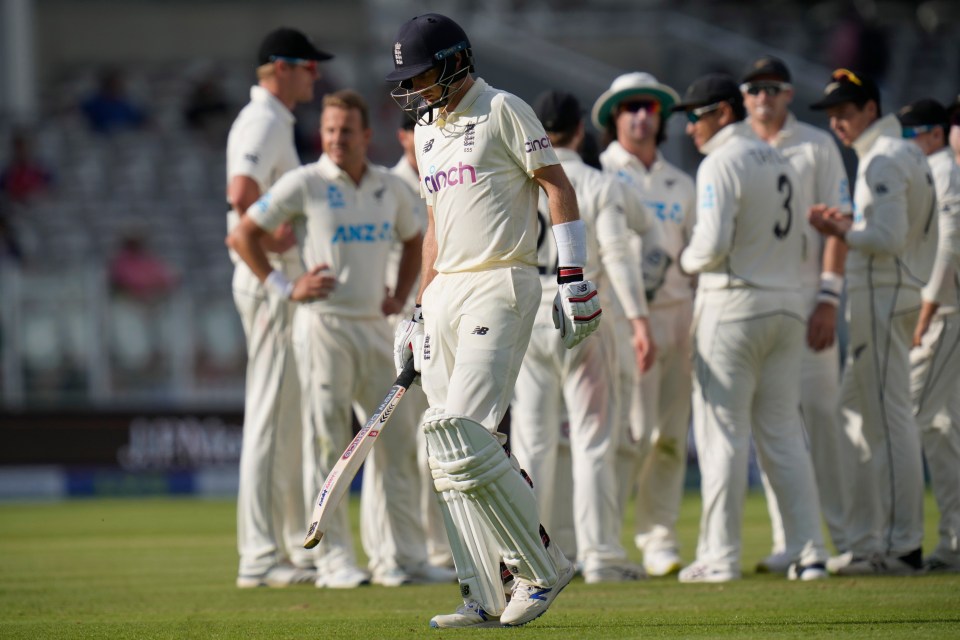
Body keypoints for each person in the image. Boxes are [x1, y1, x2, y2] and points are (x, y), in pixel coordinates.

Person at [386, 13, 600, 628]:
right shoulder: (427, 131)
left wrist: (573, 275)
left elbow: (557, 186)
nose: (414, 88)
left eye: (422, 74)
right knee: (443, 448)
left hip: (502, 279)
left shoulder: (503, 108)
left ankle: (542, 565)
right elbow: (434, 229)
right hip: (447, 292)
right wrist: (420, 310)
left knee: (463, 431)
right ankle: (482, 591)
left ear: (455, 62)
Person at [229, 88, 455, 588]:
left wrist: (399, 295)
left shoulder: (390, 189)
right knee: (328, 442)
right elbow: (242, 233)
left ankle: (403, 558)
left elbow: (415, 238)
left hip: (376, 330)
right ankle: (331, 560)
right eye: (328, 130)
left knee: (394, 444)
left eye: (345, 131)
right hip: (323, 326)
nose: (335, 139)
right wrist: (287, 287)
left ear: (365, 136)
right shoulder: (305, 182)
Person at [673, 73, 829, 583]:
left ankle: (720, 557)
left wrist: (686, 260)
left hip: (734, 305)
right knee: (783, 434)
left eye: (696, 116)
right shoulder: (778, 158)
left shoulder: (722, 161)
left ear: (722, 112)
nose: (691, 127)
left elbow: (712, 244)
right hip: (786, 305)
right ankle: (809, 552)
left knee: (723, 436)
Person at [511, 90, 649, 584]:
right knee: (593, 440)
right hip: (584, 315)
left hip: (529, 319)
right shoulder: (596, 182)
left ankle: (532, 554)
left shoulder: (522, 182)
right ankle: (603, 556)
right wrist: (639, 320)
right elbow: (624, 248)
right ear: (578, 131)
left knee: (534, 441)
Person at [807, 69, 937, 575]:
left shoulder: (882, 157)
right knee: (858, 415)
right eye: (832, 114)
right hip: (894, 294)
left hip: (884, 296)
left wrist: (835, 226)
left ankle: (900, 546)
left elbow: (886, 237)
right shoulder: (901, 154)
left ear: (871, 108)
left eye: (846, 111)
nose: (838, 122)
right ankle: (871, 541)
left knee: (887, 420)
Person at [225, 27, 335, 589]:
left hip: (271, 284)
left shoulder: (273, 120)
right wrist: (282, 263)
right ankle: (260, 559)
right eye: (308, 67)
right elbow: (241, 197)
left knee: (285, 419)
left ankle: (288, 549)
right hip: (267, 286)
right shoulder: (263, 120)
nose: (316, 76)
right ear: (281, 68)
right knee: (270, 418)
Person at [738, 55, 853, 573]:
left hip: (808, 298)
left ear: (787, 95)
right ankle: (793, 540)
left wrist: (828, 299)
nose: (763, 97)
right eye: (755, 89)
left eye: (773, 88)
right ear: (745, 97)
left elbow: (839, 225)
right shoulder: (733, 144)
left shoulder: (816, 144)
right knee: (772, 427)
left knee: (823, 420)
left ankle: (846, 538)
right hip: (755, 301)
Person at [593, 71, 695, 577]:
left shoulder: (682, 183)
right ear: (614, 116)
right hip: (621, 320)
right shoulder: (601, 172)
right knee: (626, 437)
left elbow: (693, 255)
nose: (640, 116)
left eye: (649, 108)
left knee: (670, 437)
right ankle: (605, 540)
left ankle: (659, 538)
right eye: (630, 107)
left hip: (678, 318)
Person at [387, 111, 455, 571]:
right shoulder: (390, 184)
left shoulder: (449, 171)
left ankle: (441, 547)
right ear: (403, 135)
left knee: (439, 434)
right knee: (405, 446)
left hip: (442, 318)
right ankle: (407, 551)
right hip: (401, 328)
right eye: (416, 128)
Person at [897, 98, 960, 573]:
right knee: (940, 429)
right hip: (942, 312)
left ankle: (896, 541)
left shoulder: (942, 171)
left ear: (934, 135)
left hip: (945, 314)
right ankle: (954, 541)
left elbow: (949, 245)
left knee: (902, 413)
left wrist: (926, 312)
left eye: (910, 134)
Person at [81, 68, 147, 135]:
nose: (117, 88)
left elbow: (136, 119)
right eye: (113, 85)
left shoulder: (124, 104)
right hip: (102, 137)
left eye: (119, 85)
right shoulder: (94, 103)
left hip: (125, 135)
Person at [0, 131, 54, 203]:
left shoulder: (41, 171)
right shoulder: (7, 174)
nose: (22, 151)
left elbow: (51, 191)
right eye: (19, 148)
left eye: (25, 147)